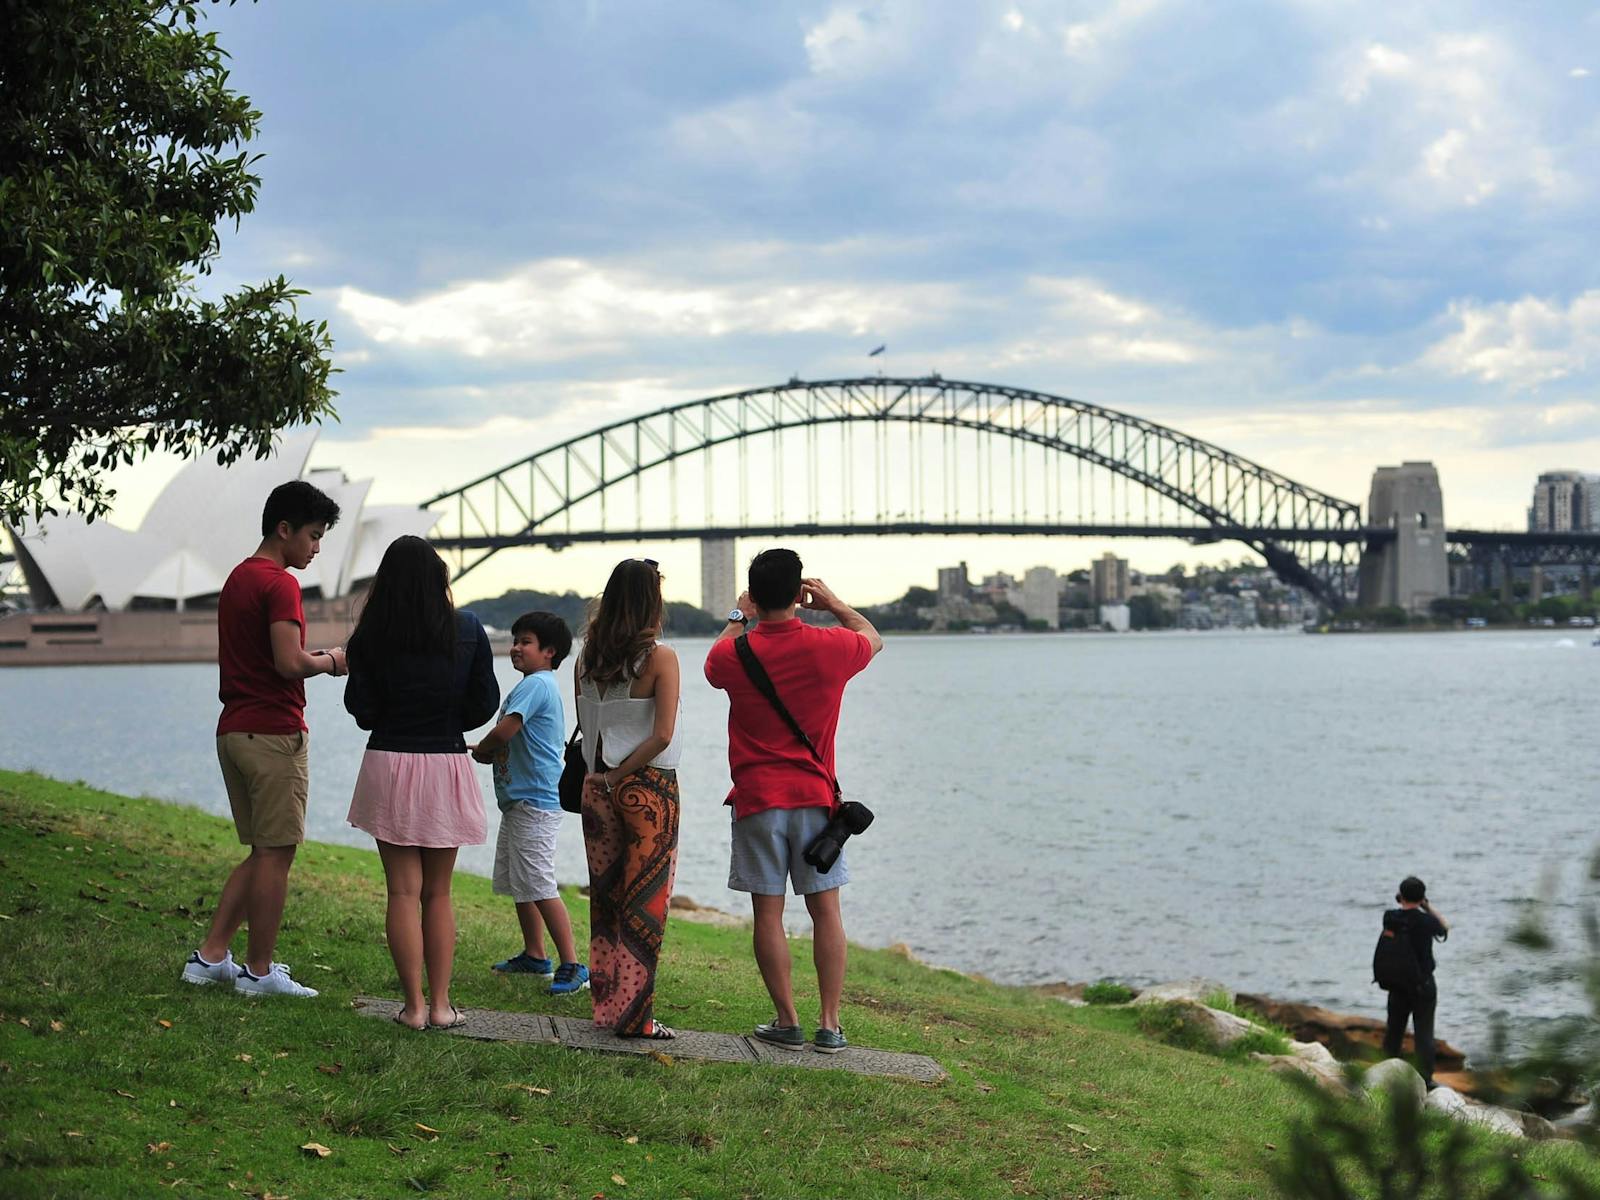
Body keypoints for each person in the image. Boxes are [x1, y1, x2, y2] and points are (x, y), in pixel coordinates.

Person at [704, 549, 882, 1053]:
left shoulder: (733, 653)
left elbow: (713, 663)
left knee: (769, 914)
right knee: (826, 912)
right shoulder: (832, 646)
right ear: (801, 596)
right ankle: (830, 1023)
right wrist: (835, 603)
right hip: (816, 801)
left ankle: (787, 1020)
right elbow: (875, 638)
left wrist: (740, 615)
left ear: (755, 596)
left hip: (757, 799)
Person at [182, 480, 345, 998]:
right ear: (285, 529)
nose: (316, 547)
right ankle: (258, 971)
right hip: (273, 733)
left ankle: (210, 958)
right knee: (278, 855)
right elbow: (288, 662)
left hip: (234, 730)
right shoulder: (280, 584)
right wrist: (334, 661)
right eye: (314, 535)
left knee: (261, 853)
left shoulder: (237, 578)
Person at [343, 536, 499, 1031]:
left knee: (401, 893)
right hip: (444, 760)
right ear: (440, 580)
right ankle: (441, 1005)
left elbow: (362, 711)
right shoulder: (468, 629)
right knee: (439, 893)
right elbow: (484, 703)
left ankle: (411, 1008)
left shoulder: (370, 635)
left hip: (388, 759)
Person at [575, 559, 682, 1039]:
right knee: (646, 904)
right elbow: (661, 736)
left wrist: (604, 776)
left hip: (594, 787)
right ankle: (636, 1018)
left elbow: (586, 726)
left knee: (607, 900)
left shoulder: (587, 656)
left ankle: (607, 1008)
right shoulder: (660, 658)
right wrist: (623, 774)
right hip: (647, 786)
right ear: (651, 602)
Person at [469, 611, 589, 996]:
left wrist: (483, 751)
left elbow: (506, 729)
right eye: (516, 640)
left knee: (538, 881)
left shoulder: (536, 685)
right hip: (520, 800)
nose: (516, 648)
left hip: (535, 800)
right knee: (521, 881)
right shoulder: (536, 684)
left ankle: (573, 964)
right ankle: (536, 955)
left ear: (549, 652)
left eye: (526, 642)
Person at [1381, 875, 1451, 1086]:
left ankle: (1385, 1072)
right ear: (1422, 898)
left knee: (1394, 1031)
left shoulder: (1390, 917)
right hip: (1423, 985)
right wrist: (1427, 907)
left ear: (1400, 896)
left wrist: (1404, 902)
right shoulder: (1426, 921)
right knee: (1424, 1034)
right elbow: (1445, 927)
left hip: (1398, 985)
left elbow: (1401, 912)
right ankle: (1425, 1080)